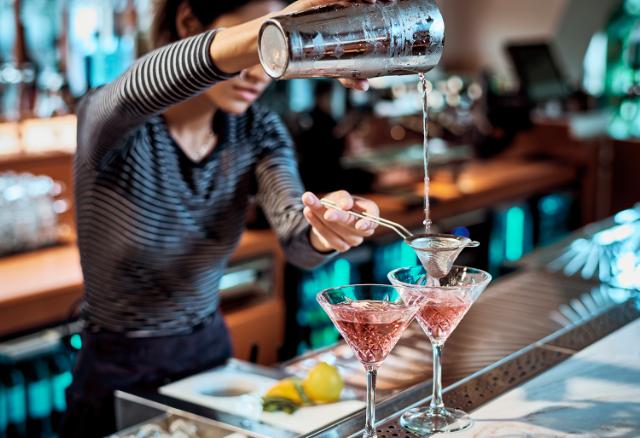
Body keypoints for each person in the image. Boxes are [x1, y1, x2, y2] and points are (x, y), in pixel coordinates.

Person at [62, 1, 383, 436]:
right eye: (251, 46)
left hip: (211, 363)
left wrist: (330, 228)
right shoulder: (112, 123)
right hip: (117, 371)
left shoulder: (256, 131)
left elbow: (296, 235)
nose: (260, 70)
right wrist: (277, 33)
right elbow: (139, 84)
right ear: (189, 22)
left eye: (270, 52)